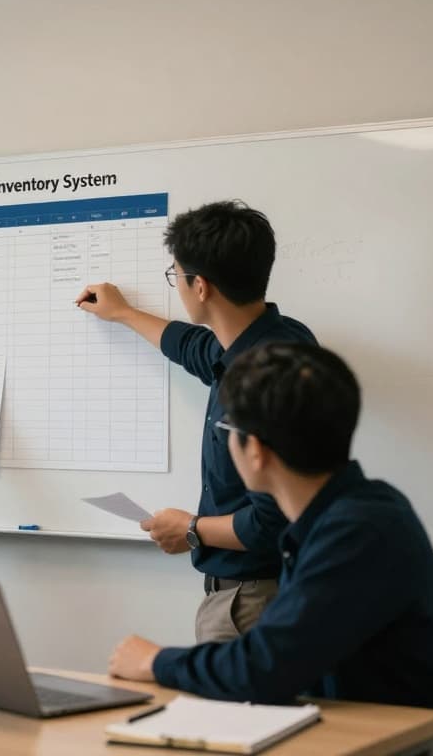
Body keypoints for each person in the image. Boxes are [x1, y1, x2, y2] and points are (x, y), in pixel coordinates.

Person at [108, 343, 433, 756]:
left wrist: (155, 662)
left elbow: (263, 668)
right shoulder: (336, 517)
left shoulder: (358, 529)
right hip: (344, 735)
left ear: (256, 451)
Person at [76, 200, 315, 642]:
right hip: (260, 595)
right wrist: (125, 314)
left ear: (200, 286)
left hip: (253, 606)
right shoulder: (275, 341)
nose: (178, 285)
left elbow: (274, 520)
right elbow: (195, 347)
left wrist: (189, 529)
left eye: (177, 275)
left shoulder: (263, 380)